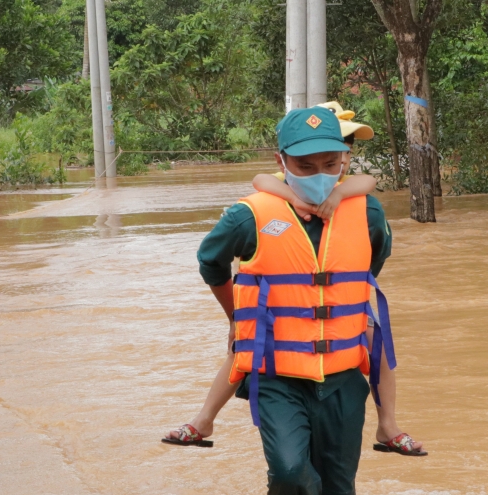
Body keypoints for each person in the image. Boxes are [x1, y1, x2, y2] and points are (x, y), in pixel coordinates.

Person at [164, 103, 425, 457]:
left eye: (331, 161)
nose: (320, 171)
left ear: (344, 157)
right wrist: (236, 315)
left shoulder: (358, 199)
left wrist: (345, 297)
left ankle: (388, 423)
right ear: (284, 160)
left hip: (340, 314)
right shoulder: (266, 203)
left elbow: (371, 257)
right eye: (307, 163)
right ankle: (204, 419)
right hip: (273, 316)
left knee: (374, 342)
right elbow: (260, 184)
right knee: (243, 346)